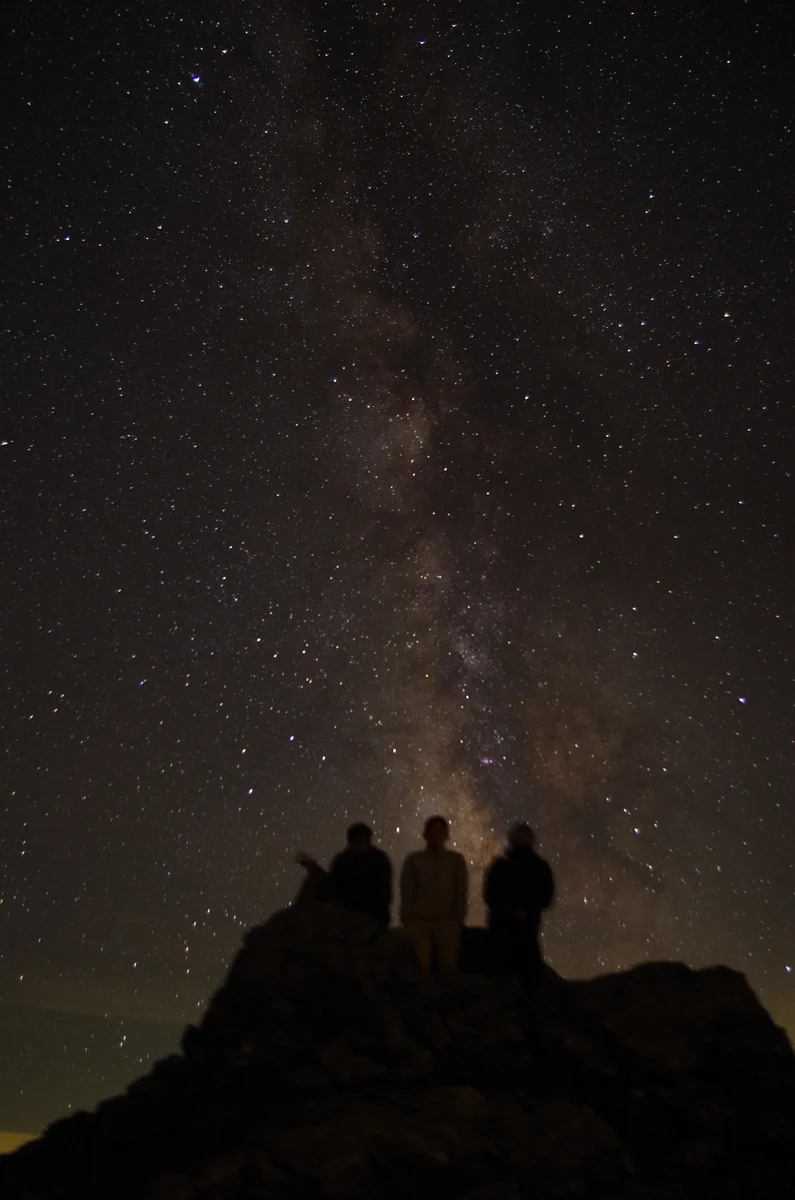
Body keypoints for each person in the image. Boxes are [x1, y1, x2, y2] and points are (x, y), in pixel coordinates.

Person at [483, 822, 555, 989]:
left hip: (518, 928)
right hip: (511, 928)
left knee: (521, 975)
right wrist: (520, 911)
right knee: (517, 975)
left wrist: (516, 911)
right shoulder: (504, 866)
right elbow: (490, 894)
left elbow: (546, 896)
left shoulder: (503, 866)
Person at [400, 816, 468, 981]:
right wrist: (408, 918)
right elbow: (406, 891)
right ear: (425, 834)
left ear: (446, 834)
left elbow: (461, 891)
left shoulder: (456, 860)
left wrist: (457, 918)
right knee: (419, 969)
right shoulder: (414, 860)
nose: (436, 835)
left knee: (448, 969)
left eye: (440, 831)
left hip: (447, 920)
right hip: (419, 920)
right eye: (432, 831)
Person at [296, 823, 392, 925]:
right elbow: (332, 884)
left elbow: (383, 895)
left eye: (360, 839)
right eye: (354, 839)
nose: (357, 843)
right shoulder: (342, 860)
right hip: (344, 910)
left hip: (371, 914)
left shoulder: (379, 860)